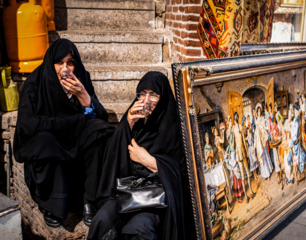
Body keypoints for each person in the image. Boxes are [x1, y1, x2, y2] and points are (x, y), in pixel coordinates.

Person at [13, 39, 114, 228]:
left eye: (70, 62)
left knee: (100, 132)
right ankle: (53, 203)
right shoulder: (35, 82)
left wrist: (83, 96)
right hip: (50, 139)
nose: (65, 68)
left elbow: (96, 117)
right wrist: (69, 123)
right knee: (45, 141)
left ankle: (89, 201)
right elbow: (27, 124)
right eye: (60, 63)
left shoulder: (81, 79)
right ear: (51, 64)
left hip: (75, 138)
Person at [88, 72, 186, 240]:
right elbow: (114, 160)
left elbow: (183, 175)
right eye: (142, 94)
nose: (146, 100)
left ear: (162, 98)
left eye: (153, 95)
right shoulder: (135, 119)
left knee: (140, 228)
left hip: (155, 199)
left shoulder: (175, 128)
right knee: (102, 220)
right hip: (128, 193)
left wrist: (151, 162)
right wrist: (128, 124)